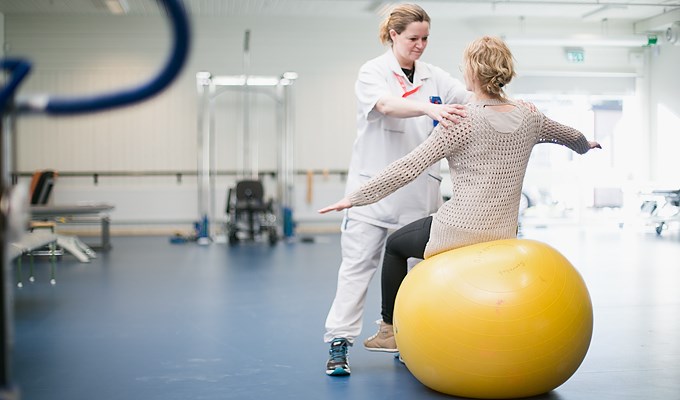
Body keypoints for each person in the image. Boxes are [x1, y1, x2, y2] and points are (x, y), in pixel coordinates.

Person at [319, 36, 601, 357]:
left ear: (471, 72)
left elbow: (408, 167)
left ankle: (388, 332)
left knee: (395, 246)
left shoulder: (460, 121)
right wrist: (586, 145)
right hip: (504, 233)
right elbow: (569, 136)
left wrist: (354, 198)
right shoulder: (530, 116)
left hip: (457, 230)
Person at [323, 3, 470, 376]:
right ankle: (339, 343)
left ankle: (409, 339)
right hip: (372, 192)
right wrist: (429, 110)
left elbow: (472, 98)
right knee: (357, 269)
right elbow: (387, 105)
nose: (420, 45)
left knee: (420, 275)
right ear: (393, 35)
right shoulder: (373, 72)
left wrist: (510, 105)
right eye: (413, 38)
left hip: (420, 195)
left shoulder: (435, 77)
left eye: (425, 39)